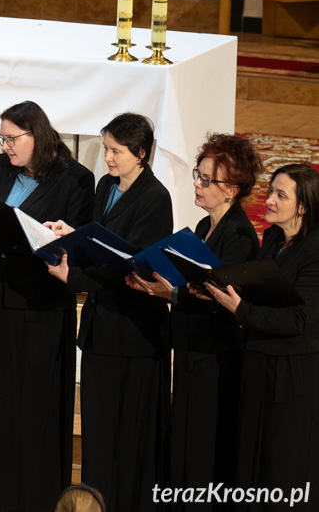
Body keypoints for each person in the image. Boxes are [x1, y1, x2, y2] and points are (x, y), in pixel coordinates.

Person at [0, 101, 94, 512]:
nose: (5, 147)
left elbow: (76, 246)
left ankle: (32, 499)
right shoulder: (3, 168)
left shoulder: (76, 179)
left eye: (12, 139)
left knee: (33, 405)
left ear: (37, 135)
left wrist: (35, 238)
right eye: (1, 138)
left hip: (39, 302)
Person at [127, 133, 262, 510]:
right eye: (197, 176)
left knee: (206, 446)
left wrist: (169, 293)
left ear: (231, 189)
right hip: (192, 350)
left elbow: (219, 301)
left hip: (217, 358)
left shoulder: (239, 237)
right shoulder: (205, 228)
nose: (198, 185)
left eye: (207, 180)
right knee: (186, 439)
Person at [48, 113, 173, 512]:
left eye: (116, 151)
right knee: (99, 430)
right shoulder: (105, 186)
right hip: (102, 325)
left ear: (141, 153)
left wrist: (75, 277)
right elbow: (98, 238)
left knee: (127, 432)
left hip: (133, 331)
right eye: (105, 148)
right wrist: (71, 234)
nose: (108, 158)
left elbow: (130, 263)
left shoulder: (155, 198)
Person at [206, 164, 319, 509]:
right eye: (270, 191)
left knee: (280, 472)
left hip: (290, 380)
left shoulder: (315, 250)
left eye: (280, 195)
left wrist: (240, 309)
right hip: (257, 368)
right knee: (251, 468)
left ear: (302, 207)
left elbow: (301, 319)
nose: (267, 200)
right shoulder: (272, 239)